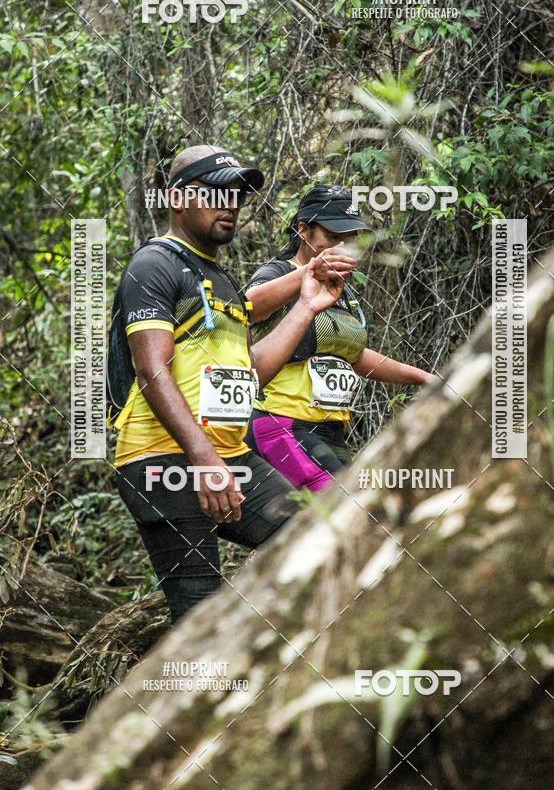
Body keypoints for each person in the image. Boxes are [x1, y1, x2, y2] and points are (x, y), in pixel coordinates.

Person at [111, 147, 344, 622]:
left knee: (313, 533)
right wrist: (203, 460)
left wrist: (305, 307)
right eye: (216, 191)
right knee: (198, 613)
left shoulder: (221, 280)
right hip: (163, 458)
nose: (230, 203)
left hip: (229, 455)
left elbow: (249, 373)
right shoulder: (155, 265)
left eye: (236, 193)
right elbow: (152, 370)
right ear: (178, 198)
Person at [245, 184, 434, 492]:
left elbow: (355, 355)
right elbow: (248, 306)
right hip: (282, 423)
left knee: (323, 524)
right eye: (333, 238)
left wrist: (424, 378)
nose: (342, 247)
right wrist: (309, 272)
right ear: (304, 231)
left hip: (330, 431)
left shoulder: (341, 288)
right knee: (351, 512)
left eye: (350, 239)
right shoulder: (282, 272)